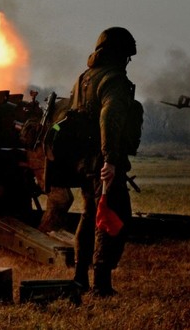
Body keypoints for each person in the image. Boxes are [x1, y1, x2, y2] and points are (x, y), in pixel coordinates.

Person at [71, 26, 138, 297]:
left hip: (85, 162)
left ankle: (79, 277)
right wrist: (110, 160)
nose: (128, 62)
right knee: (112, 217)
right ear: (120, 54)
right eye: (127, 56)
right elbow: (108, 117)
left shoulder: (85, 78)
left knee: (89, 216)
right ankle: (101, 283)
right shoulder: (113, 80)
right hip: (103, 161)